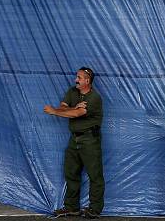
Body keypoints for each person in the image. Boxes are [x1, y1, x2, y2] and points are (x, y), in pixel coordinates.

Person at [44, 67, 104, 219]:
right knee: (71, 173)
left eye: (79, 77)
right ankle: (72, 207)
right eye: (76, 77)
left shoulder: (94, 98)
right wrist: (70, 107)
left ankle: (94, 209)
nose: (75, 80)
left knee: (95, 175)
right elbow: (64, 107)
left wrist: (54, 112)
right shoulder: (73, 91)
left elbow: (76, 114)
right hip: (74, 139)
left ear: (87, 81)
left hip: (89, 140)